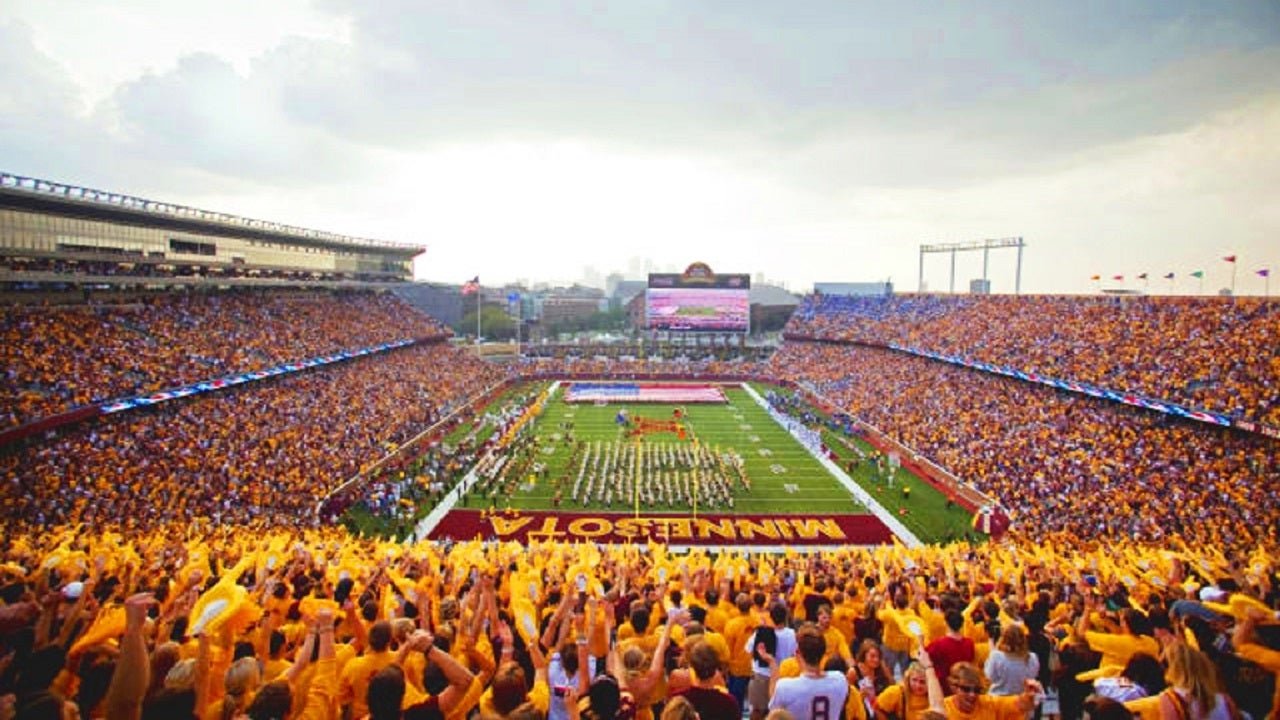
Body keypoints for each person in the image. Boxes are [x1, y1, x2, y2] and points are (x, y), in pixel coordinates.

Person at [766, 624, 849, 720]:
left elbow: (775, 712)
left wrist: (772, 664)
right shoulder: (839, 679)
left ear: (798, 652)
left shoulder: (786, 687)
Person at [943, 662, 1043, 720]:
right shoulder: (943, 710)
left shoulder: (989, 704)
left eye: (977, 690)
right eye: (966, 689)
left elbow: (1018, 704)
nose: (972, 695)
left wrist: (1029, 695)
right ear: (954, 687)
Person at [984, 624, 1039, 696]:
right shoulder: (1032, 658)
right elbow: (1033, 676)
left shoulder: (997, 656)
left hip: (999, 699)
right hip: (1021, 699)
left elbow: (990, 677)